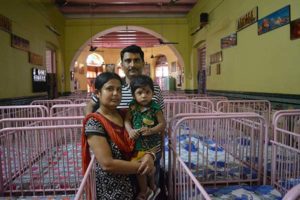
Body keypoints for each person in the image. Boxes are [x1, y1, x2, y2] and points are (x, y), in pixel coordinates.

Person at [82, 72, 156, 199]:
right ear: (98, 93)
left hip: (137, 185)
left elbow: (146, 138)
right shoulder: (94, 122)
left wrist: (150, 155)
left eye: (119, 89)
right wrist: (144, 167)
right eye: (110, 89)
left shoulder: (125, 115)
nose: (116, 93)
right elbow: (107, 164)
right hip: (114, 189)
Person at [85, 44, 164, 114]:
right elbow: (89, 106)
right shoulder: (112, 86)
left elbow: (161, 114)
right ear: (122, 65)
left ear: (143, 64)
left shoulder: (154, 88)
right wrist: (91, 123)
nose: (132, 65)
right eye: (128, 61)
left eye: (136, 60)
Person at [125, 75, 166, 200]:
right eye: (140, 93)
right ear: (133, 95)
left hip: (153, 146)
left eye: (147, 92)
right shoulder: (132, 107)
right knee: (140, 169)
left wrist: (152, 130)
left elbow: (163, 124)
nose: (144, 95)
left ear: (153, 93)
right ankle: (145, 190)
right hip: (138, 146)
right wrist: (130, 130)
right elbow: (126, 121)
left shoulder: (155, 108)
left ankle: (152, 186)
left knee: (149, 169)